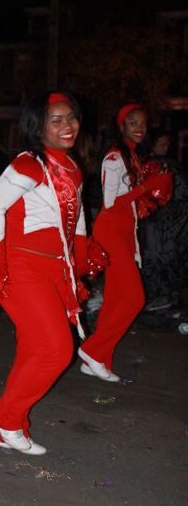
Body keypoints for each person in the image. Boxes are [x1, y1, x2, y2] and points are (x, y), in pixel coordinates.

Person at [0, 92, 89, 455]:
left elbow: (77, 215)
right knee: (57, 349)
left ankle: (8, 424)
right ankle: (5, 417)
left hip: (54, 268)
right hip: (22, 267)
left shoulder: (71, 166)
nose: (67, 125)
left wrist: (81, 257)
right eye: (56, 120)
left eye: (70, 118)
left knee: (34, 349)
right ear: (38, 127)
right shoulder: (30, 164)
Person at [79, 105, 173, 380]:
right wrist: (146, 186)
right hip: (112, 232)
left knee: (115, 299)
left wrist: (146, 197)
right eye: (133, 123)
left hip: (124, 232)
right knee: (134, 298)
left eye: (142, 123)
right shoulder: (113, 156)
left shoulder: (132, 155)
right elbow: (109, 204)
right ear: (121, 127)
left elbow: (129, 198)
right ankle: (93, 351)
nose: (139, 127)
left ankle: (97, 361)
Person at [138, 127, 188, 311]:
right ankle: (161, 296)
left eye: (167, 144)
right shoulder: (154, 164)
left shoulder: (165, 164)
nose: (166, 148)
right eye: (162, 144)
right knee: (156, 256)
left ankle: (163, 296)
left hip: (165, 221)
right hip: (159, 221)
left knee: (161, 256)